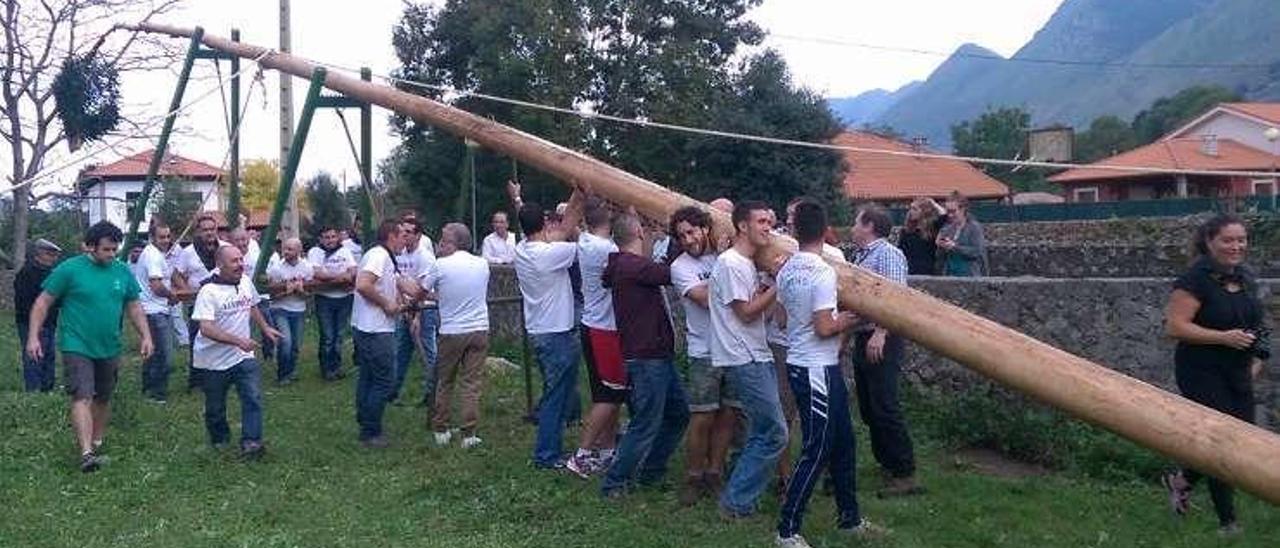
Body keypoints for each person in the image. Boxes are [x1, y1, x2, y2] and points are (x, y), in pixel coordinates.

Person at [775, 200, 884, 548]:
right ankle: (786, 530)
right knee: (817, 447)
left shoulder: (786, 269)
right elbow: (825, 328)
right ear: (825, 231)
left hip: (809, 364)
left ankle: (849, 519)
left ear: (793, 231)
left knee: (844, 443)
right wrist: (853, 317)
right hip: (815, 369)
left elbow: (780, 319)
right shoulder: (823, 272)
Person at [1162, 214, 1270, 537]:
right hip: (1201, 370)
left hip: (1238, 370)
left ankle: (1179, 481)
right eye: (1227, 240)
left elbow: (1258, 325)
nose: (1235, 246)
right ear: (1209, 241)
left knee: (1236, 440)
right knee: (1219, 441)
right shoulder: (1195, 279)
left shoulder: (1246, 277)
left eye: (1241, 240)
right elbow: (1176, 327)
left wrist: (1258, 360)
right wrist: (1223, 338)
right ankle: (1228, 523)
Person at [26, 221, 154, 472]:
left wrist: (146, 336)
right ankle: (86, 453)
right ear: (90, 247)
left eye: (114, 250)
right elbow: (43, 302)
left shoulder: (121, 271)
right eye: (106, 249)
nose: (111, 254)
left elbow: (134, 306)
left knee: (103, 396)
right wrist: (33, 336)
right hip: (77, 343)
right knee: (82, 395)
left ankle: (96, 440)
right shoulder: (69, 270)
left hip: (109, 345)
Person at [599, 213, 690, 497]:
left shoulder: (626, 265)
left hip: (655, 354)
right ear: (639, 232)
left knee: (677, 414)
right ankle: (615, 482)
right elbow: (671, 273)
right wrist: (679, 237)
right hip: (648, 356)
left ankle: (651, 472)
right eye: (647, 231)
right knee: (646, 422)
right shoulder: (633, 266)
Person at [710, 200, 788, 519]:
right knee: (775, 432)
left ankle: (740, 498)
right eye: (761, 222)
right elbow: (745, 313)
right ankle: (735, 502)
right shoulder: (730, 264)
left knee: (761, 430)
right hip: (743, 356)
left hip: (758, 352)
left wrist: (771, 283)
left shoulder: (746, 263)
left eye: (770, 222)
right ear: (743, 225)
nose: (768, 228)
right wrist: (778, 280)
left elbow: (761, 313)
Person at [509, 179, 585, 469]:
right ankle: (546, 455)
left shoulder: (522, 250)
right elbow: (567, 231)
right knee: (555, 396)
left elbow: (551, 231)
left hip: (540, 332)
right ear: (543, 222)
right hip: (556, 335)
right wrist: (579, 194)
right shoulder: (550, 254)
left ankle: (553, 446)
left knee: (558, 391)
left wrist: (518, 201)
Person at [669, 206, 739, 506]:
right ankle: (694, 476)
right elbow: (707, 299)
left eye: (691, 231)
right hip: (704, 351)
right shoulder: (681, 266)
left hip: (733, 349)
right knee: (702, 416)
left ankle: (715, 472)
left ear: (705, 229)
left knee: (727, 415)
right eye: (681, 235)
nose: (687, 239)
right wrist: (725, 264)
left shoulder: (726, 257)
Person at [851, 205, 923, 498]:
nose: (852, 227)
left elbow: (895, 298)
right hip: (863, 336)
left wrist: (881, 332)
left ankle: (905, 472)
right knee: (869, 408)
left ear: (869, 225)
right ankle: (888, 462)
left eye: (856, 222)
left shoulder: (888, 254)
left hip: (881, 337)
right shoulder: (862, 256)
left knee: (885, 406)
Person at [191, 245, 280, 457]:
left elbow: (252, 305)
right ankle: (220, 440)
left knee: (253, 397)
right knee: (215, 408)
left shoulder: (246, 282)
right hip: (213, 360)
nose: (240, 264)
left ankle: (252, 443)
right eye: (234, 261)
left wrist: (265, 327)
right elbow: (206, 328)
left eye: (241, 259)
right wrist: (238, 340)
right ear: (220, 265)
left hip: (243, 357)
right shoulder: (208, 291)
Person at [566, 198, 626, 479]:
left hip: (591, 324)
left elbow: (570, 223)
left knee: (607, 393)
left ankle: (607, 449)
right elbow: (634, 260)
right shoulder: (609, 248)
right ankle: (582, 454)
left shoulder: (586, 242)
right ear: (610, 218)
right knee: (610, 396)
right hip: (606, 329)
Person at [420, 223, 491, 448]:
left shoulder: (440, 265)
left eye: (444, 239)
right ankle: (469, 434)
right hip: (479, 328)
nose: (440, 244)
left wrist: (403, 286)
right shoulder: (482, 263)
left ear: (454, 243)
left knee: (445, 381)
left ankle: (441, 428)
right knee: (471, 383)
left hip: (451, 331)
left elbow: (420, 292)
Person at [351, 219, 413, 448]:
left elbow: (398, 284)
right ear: (391, 236)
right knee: (384, 380)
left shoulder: (383, 256)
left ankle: (364, 419)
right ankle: (371, 431)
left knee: (368, 376)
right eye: (402, 236)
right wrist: (387, 304)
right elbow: (364, 284)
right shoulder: (379, 256)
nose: (405, 241)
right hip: (375, 329)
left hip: (366, 327)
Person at [172, 214, 227, 391]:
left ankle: (221, 377)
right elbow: (176, 275)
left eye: (212, 229)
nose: (209, 233)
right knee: (198, 341)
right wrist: (189, 292)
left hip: (223, 304)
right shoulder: (188, 252)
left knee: (222, 340)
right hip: (198, 304)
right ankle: (196, 381)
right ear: (198, 231)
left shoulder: (226, 249)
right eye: (205, 230)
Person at [390, 214, 439, 407]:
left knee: (428, 351)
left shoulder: (425, 257)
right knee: (401, 351)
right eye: (403, 232)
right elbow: (397, 281)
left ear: (418, 236)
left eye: (409, 232)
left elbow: (423, 288)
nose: (405, 236)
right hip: (405, 309)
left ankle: (432, 392)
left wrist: (416, 315)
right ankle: (393, 391)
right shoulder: (398, 254)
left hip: (423, 310)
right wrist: (404, 306)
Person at [134, 223, 179, 402]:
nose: (166, 241)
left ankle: (148, 390)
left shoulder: (154, 254)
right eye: (162, 237)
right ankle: (157, 394)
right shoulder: (153, 255)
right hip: (154, 311)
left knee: (152, 353)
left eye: (168, 236)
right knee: (164, 356)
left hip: (153, 309)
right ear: (152, 238)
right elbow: (156, 285)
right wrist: (172, 296)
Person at [308, 226, 358, 381]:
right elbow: (316, 272)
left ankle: (336, 367)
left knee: (339, 335)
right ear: (321, 239)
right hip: (324, 298)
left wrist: (331, 277)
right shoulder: (315, 252)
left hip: (344, 298)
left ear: (338, 238)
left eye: (333, 237)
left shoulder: (345, 251)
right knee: (328, 336)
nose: (330, 240)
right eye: (327, 237)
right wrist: (339, 277)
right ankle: (326, 368)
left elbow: (353, 271)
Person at [15, 239, 62, 392]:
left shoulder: (51, 273)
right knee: (34, 357)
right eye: (50, 254)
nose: (54, 258)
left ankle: (47, 389)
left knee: (49, 356)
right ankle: (34, 391)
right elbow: (24, 301)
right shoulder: (27, 273)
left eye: (55, 255)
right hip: (30, 323)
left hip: (50, 322)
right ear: (40, 254)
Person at [265, 237, 314, 385]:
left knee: (296, 345)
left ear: (299, 251)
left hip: (298, 310)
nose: (285, 251)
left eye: (290, 249)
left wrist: (299, 291)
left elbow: (309, 295)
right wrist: (286, 292)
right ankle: (283, 375)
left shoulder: (307, 267)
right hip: (280, 309)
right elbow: (272, 296)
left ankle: (291, 371)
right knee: (286, 342)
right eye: (285, 248)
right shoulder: (276, 269)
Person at [231, 227, 274, 362]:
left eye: (243, 239)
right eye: (237, 240)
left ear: (249, 239)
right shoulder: (230, 256)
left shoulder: (257, 253)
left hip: (260, 297)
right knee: (244, 329)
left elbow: (269, 273)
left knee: (268, 325)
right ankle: (244, 357)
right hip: (239, 299)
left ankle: (268, 352)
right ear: (232, 242)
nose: (241, 243)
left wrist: (267, 278)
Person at [936, 191, 986, 277]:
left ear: (963, 209)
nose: (950, 215)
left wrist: (955, 247)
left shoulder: (974, 228)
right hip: (949, 275)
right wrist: (940, 245)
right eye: (948, 211)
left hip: (969, 276)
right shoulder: (947, 229)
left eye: (953, 211)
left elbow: (977, 252)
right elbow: (941, 256)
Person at [898, 197, 947, 275]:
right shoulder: (906, 231)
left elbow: (944, 216)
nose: (911, 212)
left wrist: (933, 203)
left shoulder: (932, 228)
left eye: (915, 209)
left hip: (927, 270)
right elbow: (901, 252)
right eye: (911, 209)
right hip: (909, 270)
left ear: (924, 211)